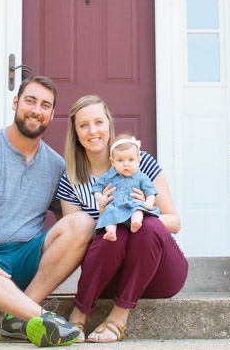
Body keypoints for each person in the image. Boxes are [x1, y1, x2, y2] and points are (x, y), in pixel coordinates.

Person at [0, 76, 94, 348]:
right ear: (15, 103)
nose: (37, 110)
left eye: (45, 105)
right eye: (30, 101)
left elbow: (71, 228)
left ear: (51, 114)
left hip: (27, 260)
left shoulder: (56, 165)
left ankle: (15, 316)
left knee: (83, 223)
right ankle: (42, 317)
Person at [56, 96, 189, 343]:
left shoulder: (140, 162)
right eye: (84, 125)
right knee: (110, 232)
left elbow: (175, 222)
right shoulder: (71, 180)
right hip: (109, 277)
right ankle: (80, 312)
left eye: (98, 122)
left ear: (109, 125)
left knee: (147, 225)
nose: (93, 131)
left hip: (160, 273)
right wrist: (106, 212)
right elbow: (76, 243)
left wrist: (139, 212)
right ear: (75, 133)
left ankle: (119, 317)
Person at [91, 134, 160, 241]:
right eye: (120, 160)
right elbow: (96, 188)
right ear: (113, 162)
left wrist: (149, 202)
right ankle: (111, 232)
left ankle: (135, 223)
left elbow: (150, 192)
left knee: (139, 210)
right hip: (115, 207)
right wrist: (100, 198)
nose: (126, 164)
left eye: (131, 160)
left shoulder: (141, 177)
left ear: (138, 160)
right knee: (108, 215)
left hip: (133, 205)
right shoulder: (108, 176)